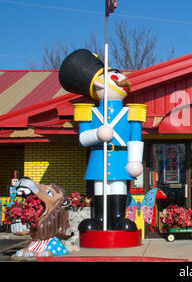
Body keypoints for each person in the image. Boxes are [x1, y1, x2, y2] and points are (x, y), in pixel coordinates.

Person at [59, 49, 146, 232]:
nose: (121, 79)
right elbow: (83, 139)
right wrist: (97, 134)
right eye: (113, 76)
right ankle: (98, 219)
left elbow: (135, 138)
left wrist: (135, 161)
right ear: (98, 83)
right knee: (100, 188)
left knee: (118, 187)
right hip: (99, 155)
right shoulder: (88, 111)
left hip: (121, 157)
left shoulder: (132, 111)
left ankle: (118, 218)